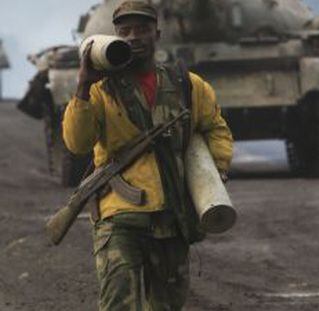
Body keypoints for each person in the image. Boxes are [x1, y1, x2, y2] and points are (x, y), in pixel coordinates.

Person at [62, 0, 233, 310]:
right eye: (125, 30)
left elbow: (215, 127)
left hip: (172, 216)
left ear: (157, 33)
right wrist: (83, 87)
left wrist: (216, 172)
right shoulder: (101, 89)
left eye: (141, 29)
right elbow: (77, 143)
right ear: (115, 35)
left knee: (167, 306)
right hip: (119, 217)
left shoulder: (186, 85)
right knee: (119, 304)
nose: (133, 36)